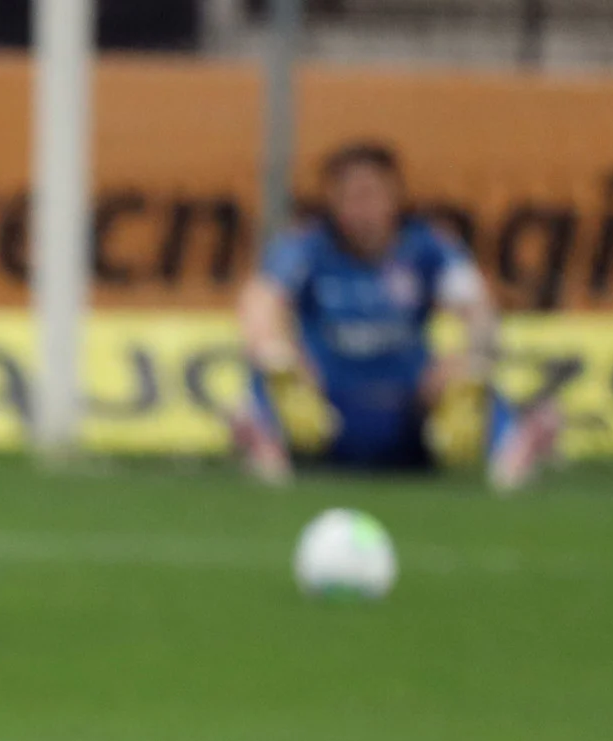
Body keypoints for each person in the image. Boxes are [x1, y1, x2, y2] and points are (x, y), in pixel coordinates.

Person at [235, 141, 559, 491]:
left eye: (372, 195)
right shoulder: (306, 248)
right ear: (334, 202)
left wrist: (468, 358)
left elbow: (479, 309)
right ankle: (266, 449)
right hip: (327, 404)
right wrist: (282, 353)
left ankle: (512, 449)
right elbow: (261, 302)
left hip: (407, 408)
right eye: (352, 197)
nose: (363, 209)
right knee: (272, 370)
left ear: (394, 197)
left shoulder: (427, 247)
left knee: (474, 378)